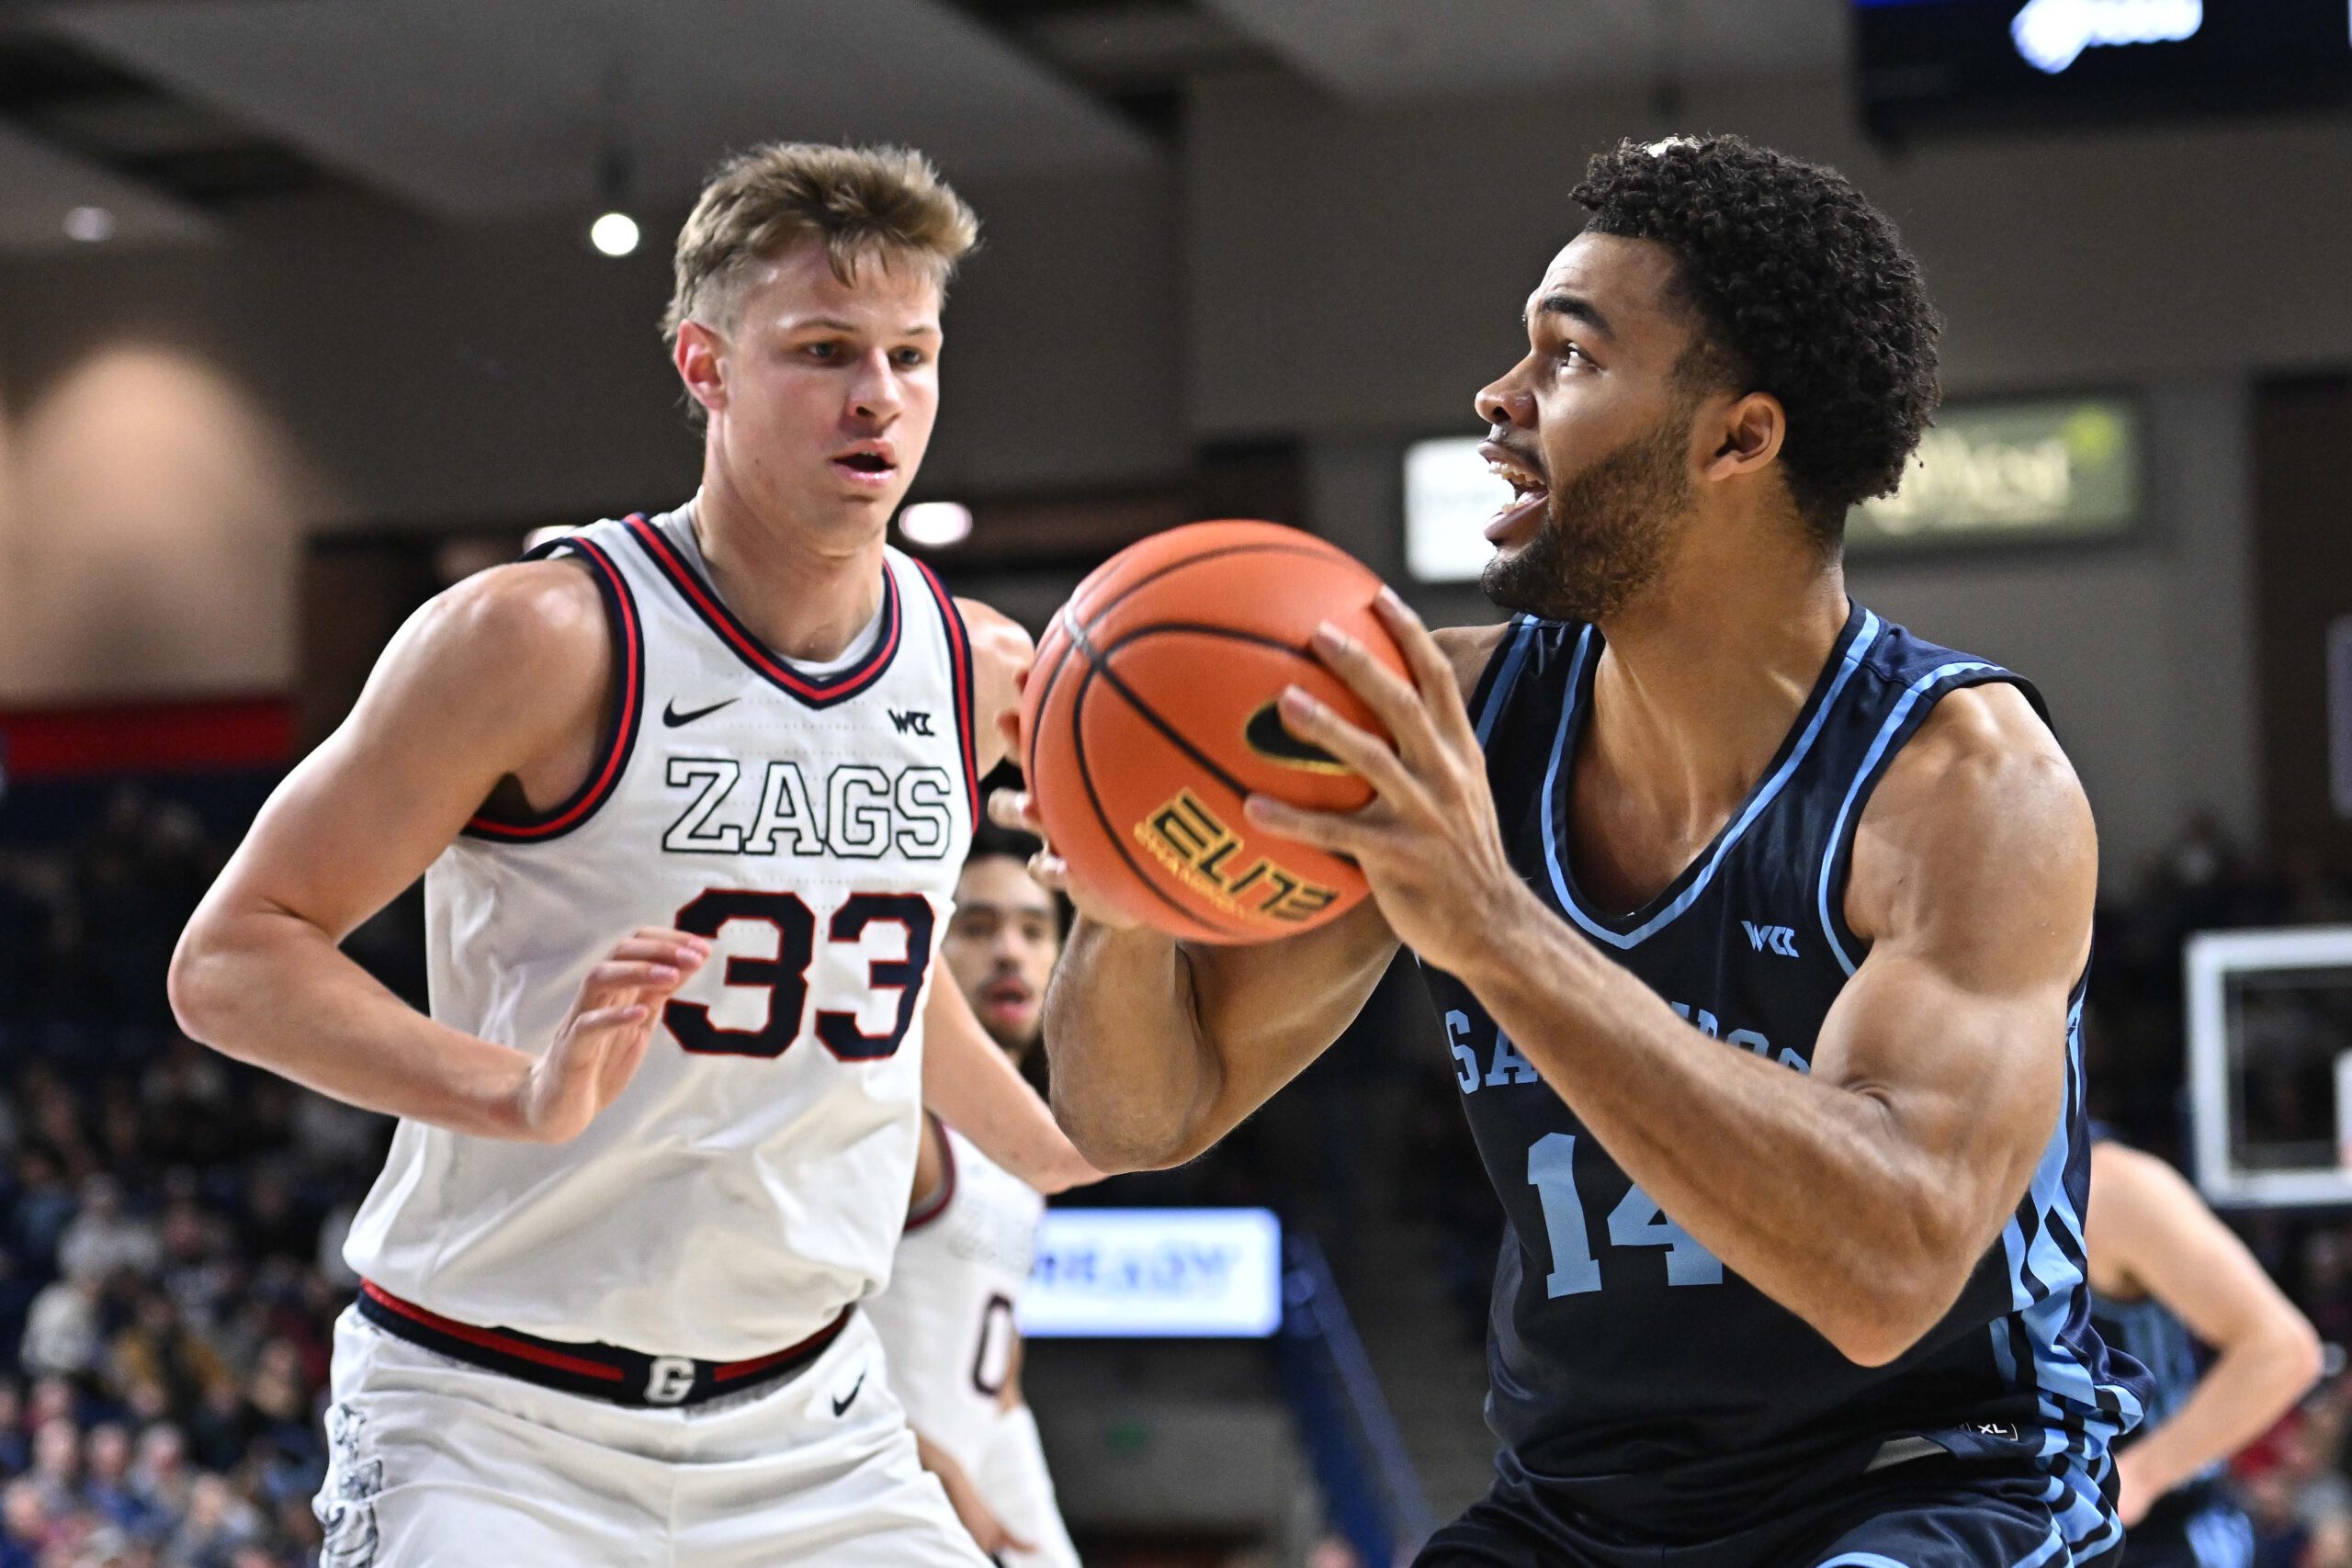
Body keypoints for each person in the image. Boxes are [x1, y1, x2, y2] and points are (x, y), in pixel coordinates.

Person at [1010, 132, 2148, 1567]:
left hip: (1926, 1476)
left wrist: (1494, 927)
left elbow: (1891, 1269)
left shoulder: (1965, 788)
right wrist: (1125, 881)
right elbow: (1138, 1116)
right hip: (1581, 1507)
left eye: (1569, 357)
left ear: (1741, 437)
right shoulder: (1450, 716)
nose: (1499, 398)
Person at [169, 141, 1092, 1567]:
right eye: (825, 350)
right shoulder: (540, 636)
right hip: (496, 1422)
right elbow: (233, 957)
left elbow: (875, 972)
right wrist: (517, 1089)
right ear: (706, 366)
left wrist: (1060, 1133)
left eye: (913, 354)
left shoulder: (976, 669)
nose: (879, 398)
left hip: (813, 1428)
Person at [865, 821, 1083, 1567]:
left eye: (1034, 928)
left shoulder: (1026, 1154)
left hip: (961, 1472)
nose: (1010, 951)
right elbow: (791, 1328)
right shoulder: (894, 1124)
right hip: (862, 1480)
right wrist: (937, 1466)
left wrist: (1029, 1528)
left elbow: (1000, 1380)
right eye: (978, 925)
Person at [2088, 1134, 2323, 1568]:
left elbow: (2283, 1350)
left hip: (2159, 1532)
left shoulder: (2111, 1187)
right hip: (2004, 1524)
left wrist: (2138, 1477)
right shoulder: (1945, 1183)